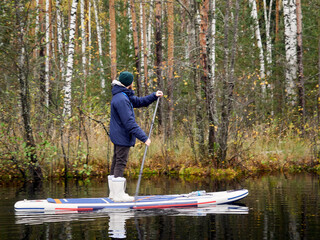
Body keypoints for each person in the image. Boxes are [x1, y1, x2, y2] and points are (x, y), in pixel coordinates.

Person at [108, 71, 163, 202]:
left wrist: (154, 96)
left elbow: (138, 101)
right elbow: (129, 122)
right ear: (129, 84)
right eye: (132, 82)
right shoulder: (121, 99)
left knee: (116, 161)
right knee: (120, 162)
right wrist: (144, 138)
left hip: (118, 134)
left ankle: (113, 194)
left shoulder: (122, 95)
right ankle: (118, 195)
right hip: (122, 135)